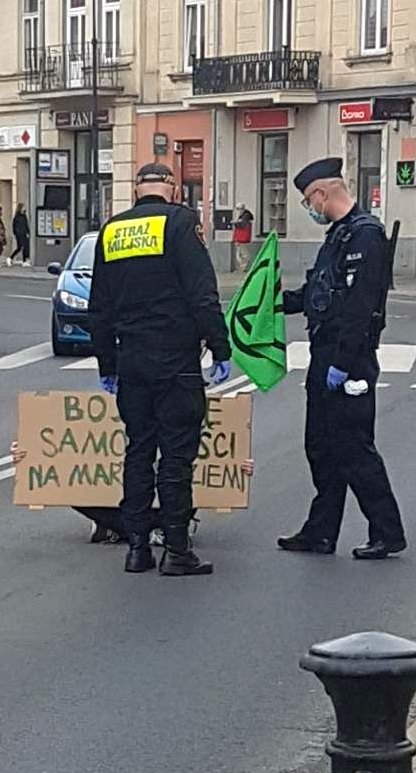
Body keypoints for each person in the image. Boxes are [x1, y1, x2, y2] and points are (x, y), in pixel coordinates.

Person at [88, 162, 232, 575]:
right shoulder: (181, 224)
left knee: (137, 450)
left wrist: (107, 363)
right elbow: (202, 293)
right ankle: (176, 549)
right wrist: (220, 348)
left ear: (136, 191)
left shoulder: (113, 231)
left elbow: (98, 308)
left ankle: (136, 548)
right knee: (176, 456)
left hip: (131, 360)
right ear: (170, 190)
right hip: (175, 361)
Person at [277, 157, 406, 561]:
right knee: (321, 447)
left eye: (308, 200)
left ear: (322, 192)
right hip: (323, 354)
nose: (309, 208)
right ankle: (320, 531)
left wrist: (345, 362)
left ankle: (387, 532)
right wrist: (274, 303)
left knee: (353, 449)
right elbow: (320, 294)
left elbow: (360, 307)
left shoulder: (366, 237)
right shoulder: (338, 237)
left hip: (349, 361)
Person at [9, 442, 255, 545]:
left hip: (163, 499)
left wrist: (235, 465)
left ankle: (126, 530)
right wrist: (29, 453)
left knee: (180, 472)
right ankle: (157, 530)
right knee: (70, 484)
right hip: (123, 499)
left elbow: (212, 454)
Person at [233, 203, 255, 272]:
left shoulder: (245, 216)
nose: (238, 211)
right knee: (239, 254)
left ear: (243, 209)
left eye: (239, 209)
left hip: (242, 238)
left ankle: (243, 268)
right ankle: (242, 267)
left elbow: (243, 226)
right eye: (237, 209)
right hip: (240, 238)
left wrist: (236, 223)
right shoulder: (242, 216)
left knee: (243, 254)